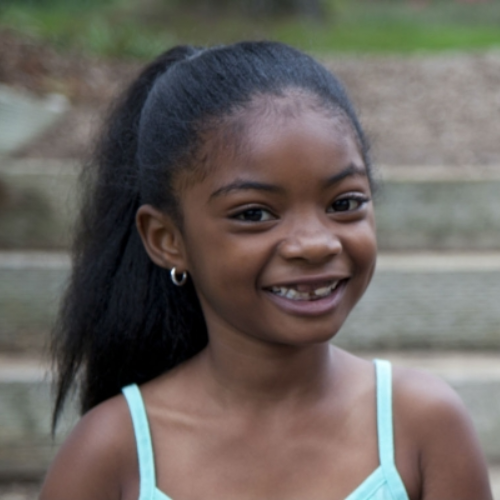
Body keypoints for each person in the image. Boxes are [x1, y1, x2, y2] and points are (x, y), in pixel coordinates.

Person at [40, 41, 492, 500]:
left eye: (344, 203)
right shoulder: (111, 455)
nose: (315, 243)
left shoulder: (422, 427)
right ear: (166, 239)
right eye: (254, 214)